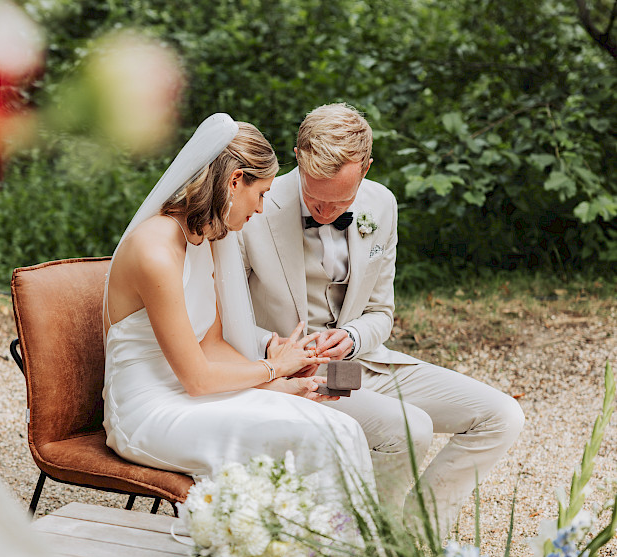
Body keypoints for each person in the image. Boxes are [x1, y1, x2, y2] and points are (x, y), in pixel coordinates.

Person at [238, 103, 524, 532]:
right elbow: (227, 317)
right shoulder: (253, 208)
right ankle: (378, 544)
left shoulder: (382, 205)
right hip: (292, 374)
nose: (325, 211)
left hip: (359, 363)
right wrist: (274, 347)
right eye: (315, 197)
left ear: (367, 168)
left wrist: (352, 337)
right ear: (297, 158)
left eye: (341, 201)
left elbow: (381, 313)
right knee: (411, 429)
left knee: (502, 416)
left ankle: (414, 532)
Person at [103, 114, 373, 497]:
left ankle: (336, 552)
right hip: (149, 411)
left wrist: (282, 385)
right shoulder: (155, 251)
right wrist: (272, 367)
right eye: (261, 193)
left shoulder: (204, 239)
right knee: (312, 439)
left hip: (194, 395)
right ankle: (292, 548)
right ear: (234, 181)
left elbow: (211, 345)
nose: (262, 208)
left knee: (339, 428)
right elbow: (197, 379)